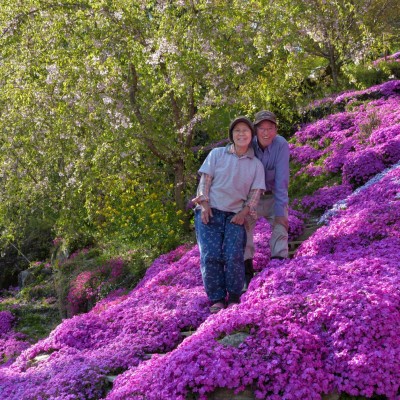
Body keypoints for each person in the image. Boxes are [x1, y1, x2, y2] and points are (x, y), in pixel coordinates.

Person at [193, 116, 265, 313]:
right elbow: (205, 181)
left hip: (235, 216)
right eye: (237, 131)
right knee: (210, 255)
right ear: (232, 135)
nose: (241, 134)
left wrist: (243, 213)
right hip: (210, 212)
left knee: (233, 255)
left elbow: (255, 194)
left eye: (245, 131)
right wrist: (204, 204)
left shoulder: (256, 164)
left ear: (252, 136)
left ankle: (233, 296)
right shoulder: (217, 154)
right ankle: (217, 299)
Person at [243, 110, 290, 289]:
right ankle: (246, 275)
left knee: (280, 226)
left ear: (276, 130)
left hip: (273, 195)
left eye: (270, 128)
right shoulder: (248, 145)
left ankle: (279, 269)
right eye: (262, 128)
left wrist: (280, 213)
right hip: (251, 198)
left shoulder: (281, 145)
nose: (266, 132)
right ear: (255, 130)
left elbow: (282, 181)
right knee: (244, 231)